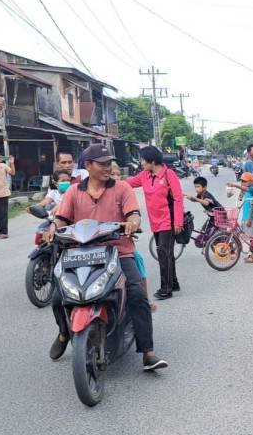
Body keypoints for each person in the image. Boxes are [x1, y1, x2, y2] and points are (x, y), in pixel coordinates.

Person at [45, 144, 167, 370]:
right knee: (57, 297)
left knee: (137, 294)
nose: (108, 167)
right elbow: (61, 218)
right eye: (102, 164)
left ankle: (147, 352)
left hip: (118, 252)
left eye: (109, 163)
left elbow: (133, 214)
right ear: (88, 166)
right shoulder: (73, 191)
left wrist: (132, 224)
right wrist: (54, 228)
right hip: (79, 254)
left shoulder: (122, 188)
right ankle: (64, 334)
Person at [127, 146, 185, 301]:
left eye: (143, 160)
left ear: (152, 161)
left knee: (163, 253)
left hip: (168, 220)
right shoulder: (145, 175)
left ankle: (166, 289)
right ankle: (173, 282)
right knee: (166, 253)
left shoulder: (168, 174)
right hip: (155, 221)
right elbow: (128, 183)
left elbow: (178, 199)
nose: (141, 163)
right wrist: (110, 180)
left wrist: (178, 222)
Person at [111, 162, 157, 313]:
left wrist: (134, 225)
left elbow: (134, 215)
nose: (116, 177)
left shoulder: (124, 192)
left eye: (118, 174)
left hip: (123, 245)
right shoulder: (87, 192)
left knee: (138, 264)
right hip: (98, 247)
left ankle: (145, 298)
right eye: (112, 174)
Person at [227, 172, 253, 263]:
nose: (243, 182)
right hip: (246, 215)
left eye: (245, 181)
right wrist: (241, 193)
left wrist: (235, 185)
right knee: (245, 234)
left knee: (252, 237)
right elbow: (241, 196)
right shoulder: (246, 190)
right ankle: (249, 253)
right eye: (242, 181)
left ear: (251, 181)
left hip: (251, 216)